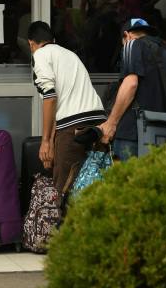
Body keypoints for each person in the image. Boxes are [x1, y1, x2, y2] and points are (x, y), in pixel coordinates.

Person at [27, 21, 107, 194]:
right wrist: (52, 141)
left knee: (65, 191)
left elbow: (50, 98)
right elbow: (59, 104)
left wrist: (45, 142)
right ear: (53, 40)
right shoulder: (70, 55)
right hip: (99, 123)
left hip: (73, 127)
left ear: (31, 43)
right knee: (98, 188)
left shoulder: (40, 55)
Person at [98, 18, 166, 160]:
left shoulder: (131, 44)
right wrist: (161, 122)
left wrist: (111, 123)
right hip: (163, 139)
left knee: (127, 175)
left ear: (127, 35)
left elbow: (131, 84)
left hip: (131, 136)